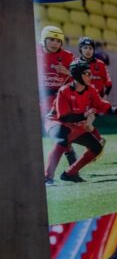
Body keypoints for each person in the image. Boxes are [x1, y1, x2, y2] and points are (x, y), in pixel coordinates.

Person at [43, 60, 112, 184]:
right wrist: (84, 115)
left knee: (96, 147)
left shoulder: (91, 89)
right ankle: (47, 178)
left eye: (90, 73)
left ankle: (69, 173)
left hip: (75, 125)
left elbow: (102, 105)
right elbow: (64, 117)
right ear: (78, 74)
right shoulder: (64, 90)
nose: (90, 76)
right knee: (62, 141)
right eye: (87, 73)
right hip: (56, 121)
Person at [36, 25, 76, 165]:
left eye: (58, 41)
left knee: (60, 132)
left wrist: (67, 72)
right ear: (44, 39)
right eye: (51, 39)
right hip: (38, 97)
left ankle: (70, 154)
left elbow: (79, 79)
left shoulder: (68, 56)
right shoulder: (34, 52)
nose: (55, 43)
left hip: (57, 100)